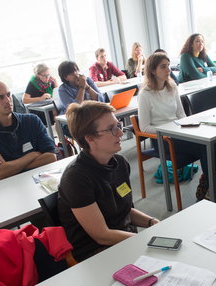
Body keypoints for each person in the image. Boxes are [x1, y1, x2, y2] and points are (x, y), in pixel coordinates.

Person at [58, 101, 159, 262]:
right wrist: (143, 242)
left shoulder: (119, 163)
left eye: (118, 125)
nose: (120, 133)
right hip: (96, 253)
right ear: (90, 138)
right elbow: (102, 236)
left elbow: (124, 210)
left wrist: (152, 222)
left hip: (125, 239)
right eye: (112, 129)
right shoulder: (76, 178)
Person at [138, 52, 216, 204]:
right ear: (153, 70)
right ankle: (214, 189)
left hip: (178, 132)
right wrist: (170, 129)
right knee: (204, 147)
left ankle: (212, 188)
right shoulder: (145, 94)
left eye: (168, 66)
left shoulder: (172, 87)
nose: (168, 70)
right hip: (162, 139)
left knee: (209, 143)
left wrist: (187, 125)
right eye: (163, 67)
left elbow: (181, 114)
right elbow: (145, 127)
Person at [0, 80, 56, 181]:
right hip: (7, 189)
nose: (7, 100)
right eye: (0, 97)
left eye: (8, 94)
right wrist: (33, 155)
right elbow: (0, 173)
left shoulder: (32, 120)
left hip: (40, 180)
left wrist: (10, 166)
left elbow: (51, 157)